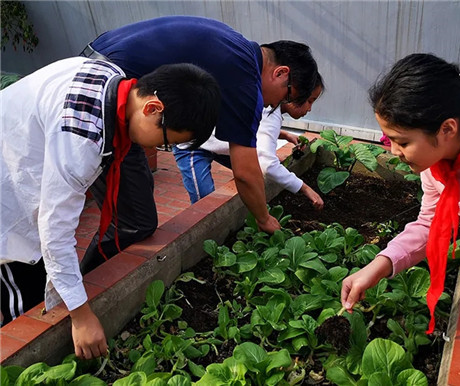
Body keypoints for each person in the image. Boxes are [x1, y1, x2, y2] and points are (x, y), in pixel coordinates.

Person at [0, 57, 221, 360]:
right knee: (22, 294)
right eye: (167, 142)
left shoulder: (113, 77)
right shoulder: (81, 141)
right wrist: (81, 316)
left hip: (18, 151)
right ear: (152, 109)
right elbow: (56, 234)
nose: (159, 149)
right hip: (7, 194)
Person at [79, 16, 319, 271]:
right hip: (99, 93)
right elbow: (247, 172)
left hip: (96, 67)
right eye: (286, 96)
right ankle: (84, 289)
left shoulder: (237, 50)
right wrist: (264, 218)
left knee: (138, 194)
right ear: (280, 73)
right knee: (134, 221)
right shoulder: (245, 79)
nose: (275, 105)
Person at [340, 53, 460, 370]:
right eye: (389, 139)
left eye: (401, 141)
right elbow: (430, 223)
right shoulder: (436, 162)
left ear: (447, 129)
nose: (393, 152)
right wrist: (380, 265)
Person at [176, 73, 325, 210]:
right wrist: (305, 188)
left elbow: (255, 126)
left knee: (253, 173)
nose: (310, 109)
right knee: (205, 200)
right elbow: (268, 164)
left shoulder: (270, 103)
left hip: (220, 141)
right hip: (194, 144)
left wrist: (284, 135)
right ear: (296, 93)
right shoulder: (271, 111)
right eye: (309, 101)